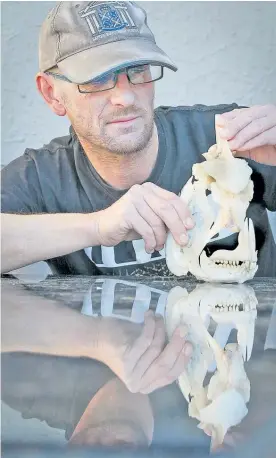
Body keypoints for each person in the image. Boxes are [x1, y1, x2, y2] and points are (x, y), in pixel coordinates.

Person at [1, 1, 276, 277]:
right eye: (97, 78)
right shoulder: (43, 177)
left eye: (138, 70)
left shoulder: (230, 138)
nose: (125, 97)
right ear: (51, 93)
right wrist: (97, 227)